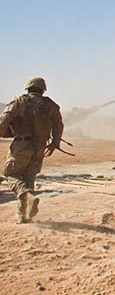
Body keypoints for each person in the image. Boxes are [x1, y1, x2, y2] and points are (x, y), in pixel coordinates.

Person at [0, 77, 64, 223]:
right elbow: (59, 124)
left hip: (22, 145)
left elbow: (3, 122)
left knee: (11, 174)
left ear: (28, 88)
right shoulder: (50, 105)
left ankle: (25, 195)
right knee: (29, 178)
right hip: (39, 147)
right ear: (43, 89)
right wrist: (55, 143)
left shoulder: (20, 102)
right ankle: (24, 216)